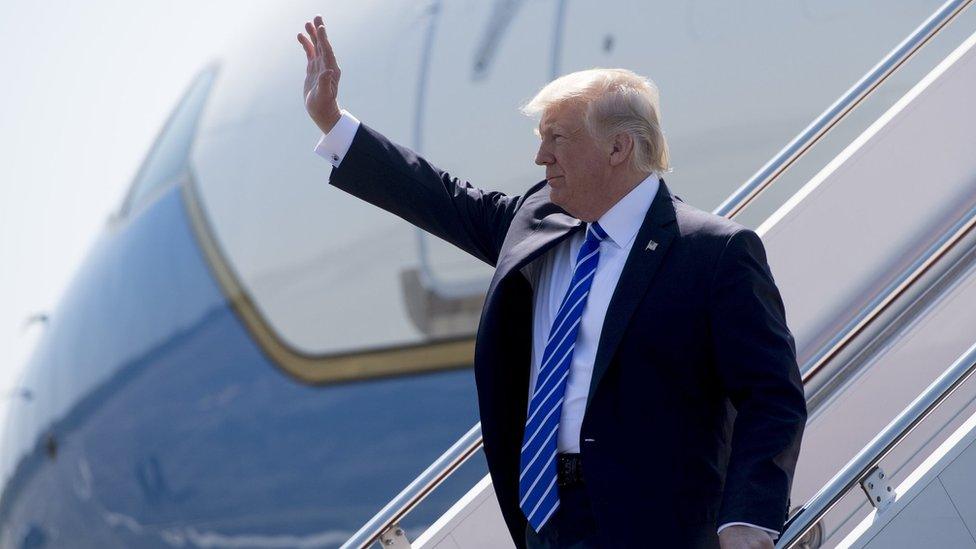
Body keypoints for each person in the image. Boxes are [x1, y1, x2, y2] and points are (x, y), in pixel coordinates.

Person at [297, 14, 807, 549]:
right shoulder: (536, 221)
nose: (541, 157)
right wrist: (333, 122)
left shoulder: (712, 252)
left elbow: (772, 394)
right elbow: (442, 198)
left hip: (658, 526)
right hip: (548, 520)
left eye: (557, 138)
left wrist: (748, 519)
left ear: (618, 149)